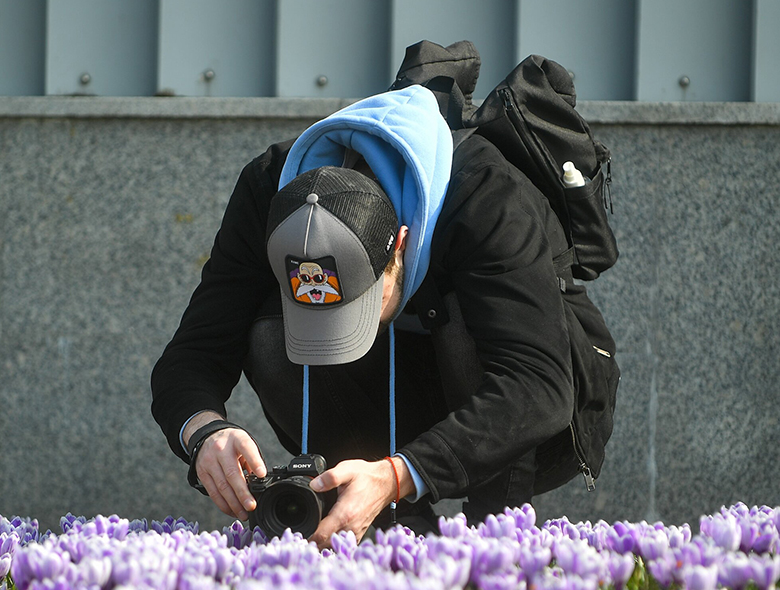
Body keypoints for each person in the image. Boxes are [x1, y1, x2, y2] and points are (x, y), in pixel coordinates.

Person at [151, 79, 616, 547]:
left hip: (533, 404)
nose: (341, 334)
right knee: (269, 336)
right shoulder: (266, 190)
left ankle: (495, 544)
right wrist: (205, 432)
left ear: (400, 244)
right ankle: (369, 518)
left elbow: (537, 382)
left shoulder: (488, 195)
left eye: (359, 308)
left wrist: (398, 473)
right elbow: (192, 353)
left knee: (465, 330)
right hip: (387, 398)